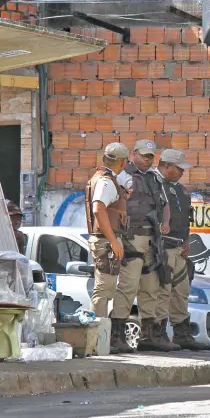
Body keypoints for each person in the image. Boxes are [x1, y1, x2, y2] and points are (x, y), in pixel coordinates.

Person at [113, 139, 178, 352]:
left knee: (151, 288)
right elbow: (111, 206)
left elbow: (164, 204)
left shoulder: (154, 179)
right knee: (128, 287)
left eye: (151, 157)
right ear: (133, 154)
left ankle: (148, 335)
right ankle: (116, 336)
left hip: (153, 239)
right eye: (144, 155)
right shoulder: (123, 176)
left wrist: (166, 223)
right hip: (132, 239)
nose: (147, 160)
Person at [153, 149, 208, 350]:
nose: (182, 172)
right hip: (162, 246)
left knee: (181, 291)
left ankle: (181, 333)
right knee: (163, 292)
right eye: (179, 168)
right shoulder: (153, 184)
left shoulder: (181, 190)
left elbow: (185, 219)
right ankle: (157, 333)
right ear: (166, 165)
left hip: (179, 246)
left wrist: (186, 241)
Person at [85, 142, 129, 354]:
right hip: (105, 241)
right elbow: (98, 208)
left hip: (103, 239)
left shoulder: (101, 178)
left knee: (104, 290)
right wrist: (113, 240)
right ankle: (97, 343)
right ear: (122, 162)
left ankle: (98, 343)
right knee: (103, 292)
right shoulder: (106, 181)